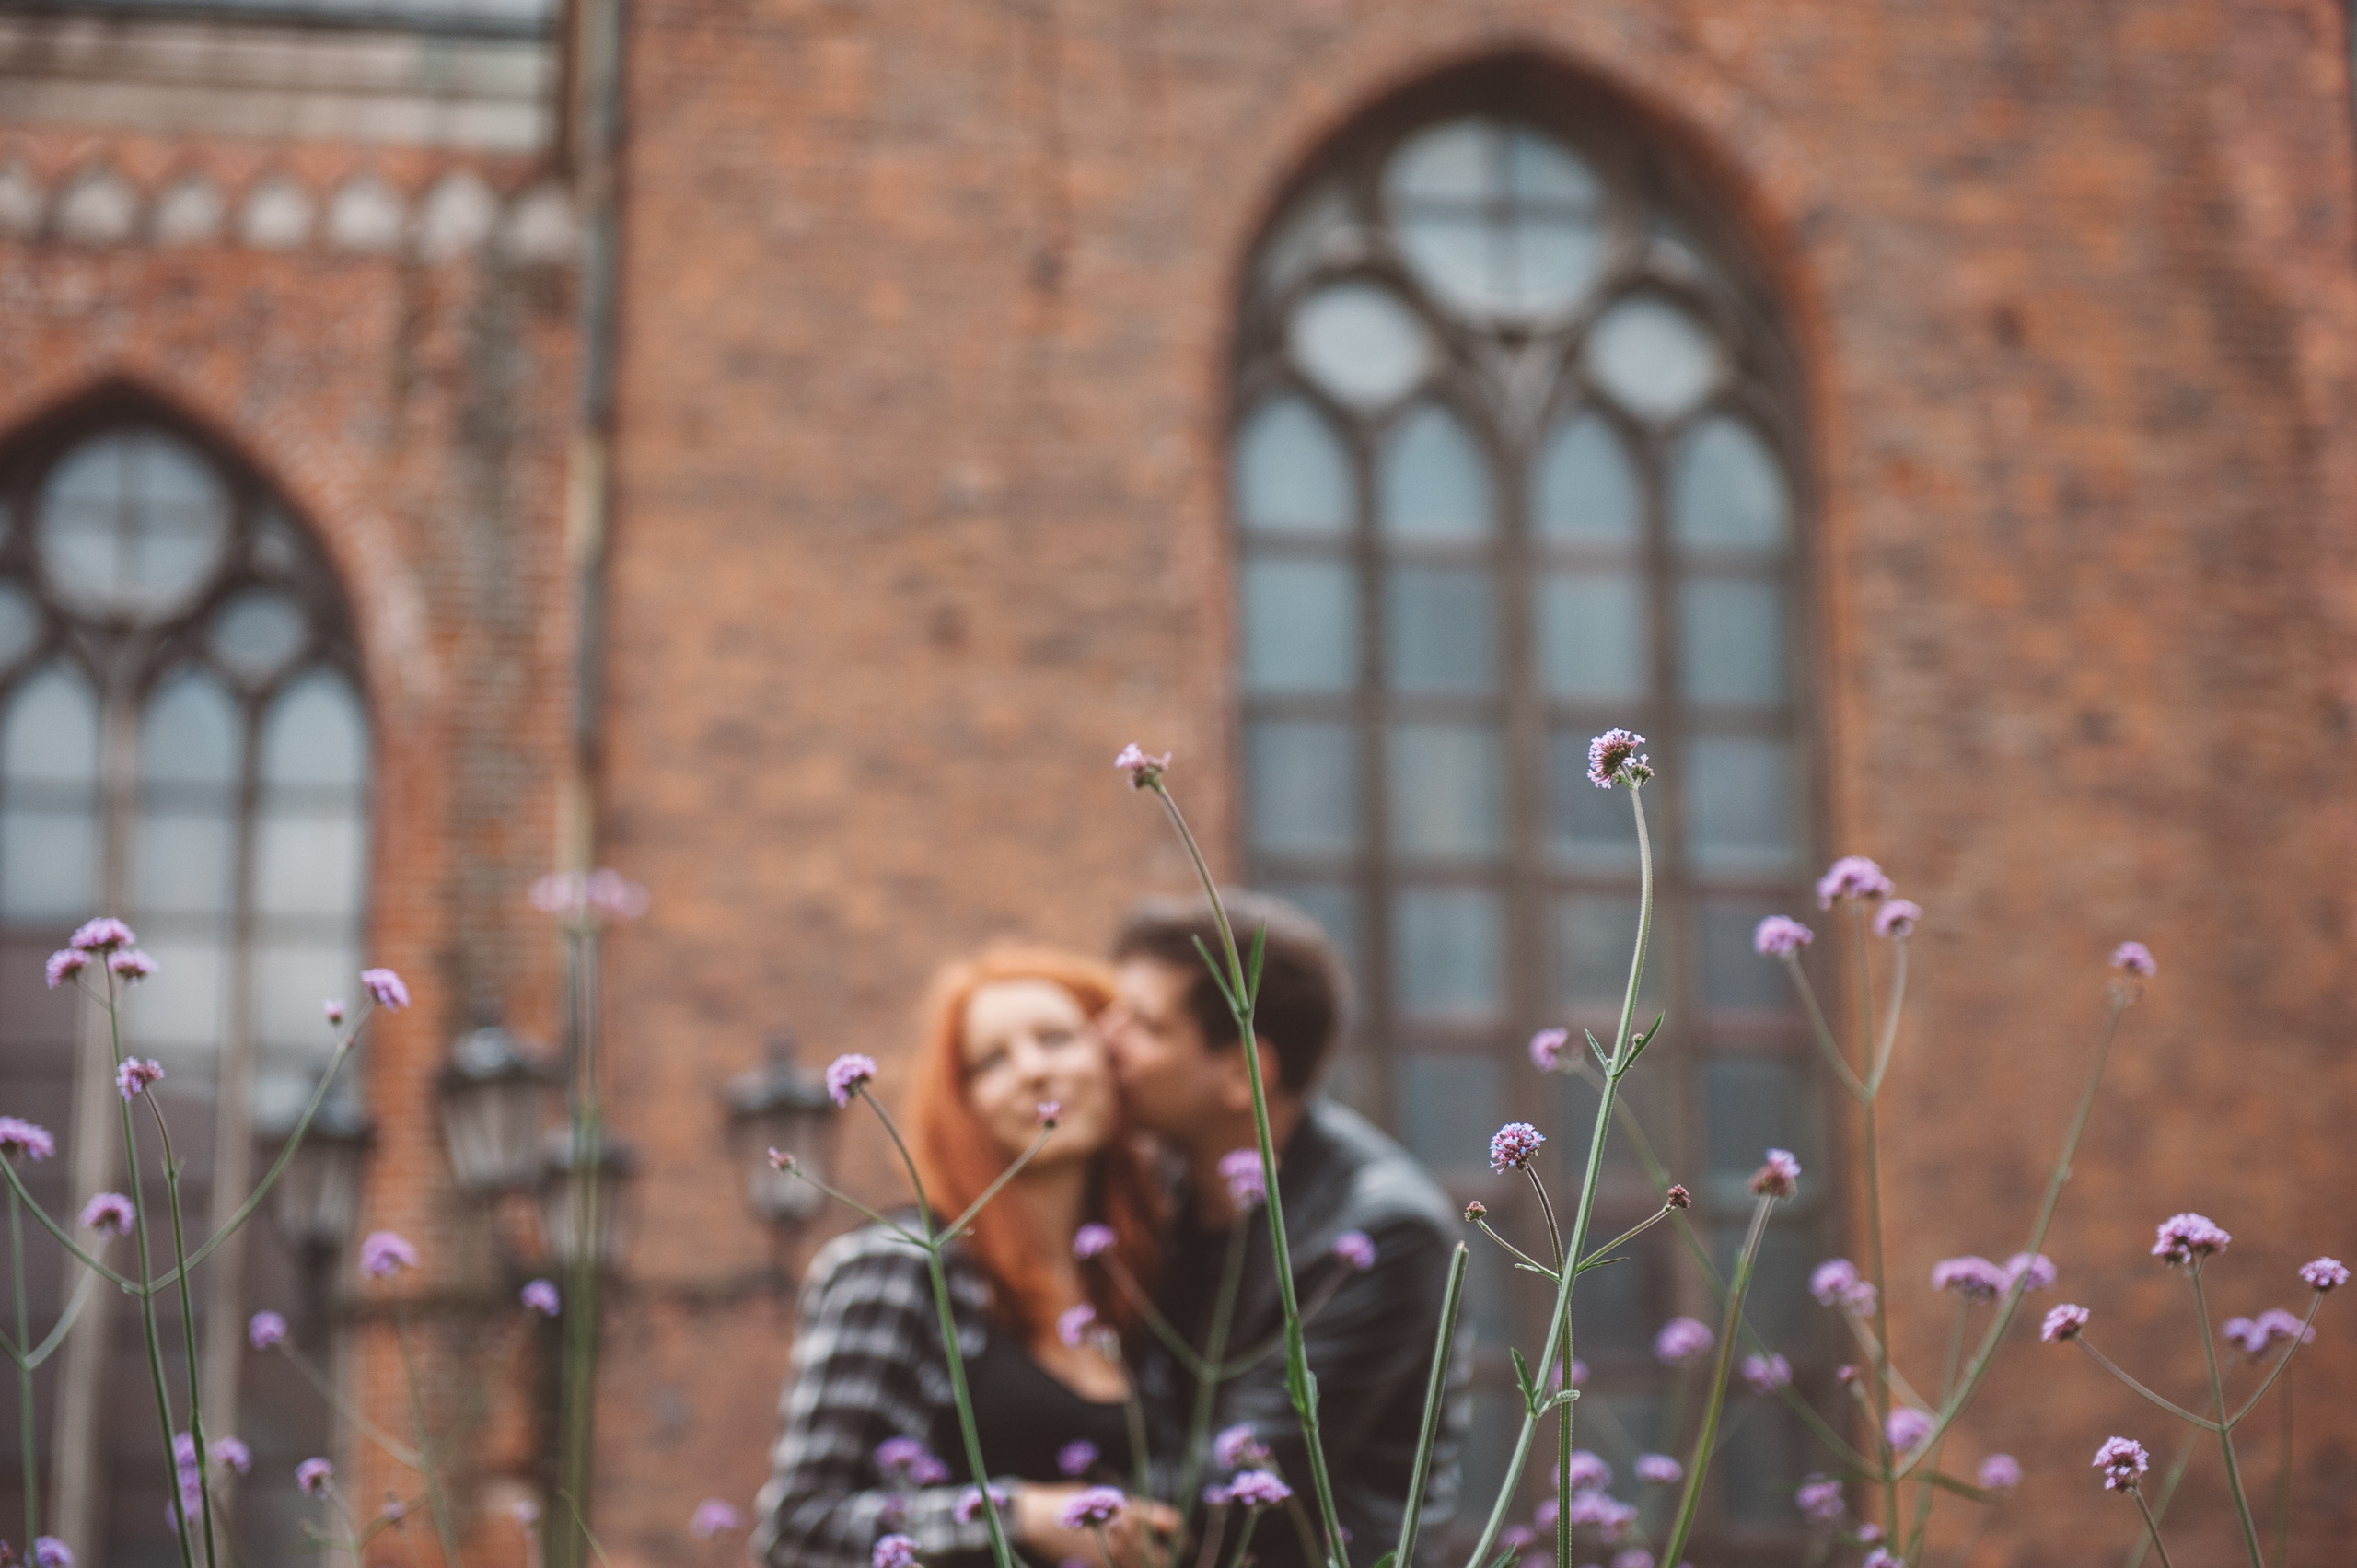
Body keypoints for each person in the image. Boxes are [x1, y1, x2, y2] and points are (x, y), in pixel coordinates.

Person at [752, 947, 1182, 1568]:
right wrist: (1020, 1516)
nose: (1034, 1070)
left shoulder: (1147, 1282)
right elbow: (799, 1531)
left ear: (1113, 1061)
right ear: (963, 1101)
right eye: (992, 1060)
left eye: (1057, 1038)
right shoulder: (896, 1268)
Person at [1105, 892, 1469, 1568]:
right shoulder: (1157, 1198)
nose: (1106, 1039)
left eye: (1145, 1026)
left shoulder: (1384, 1233)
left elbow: (1243, 1481)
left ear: (1245, 1071)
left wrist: (1050, 1517)